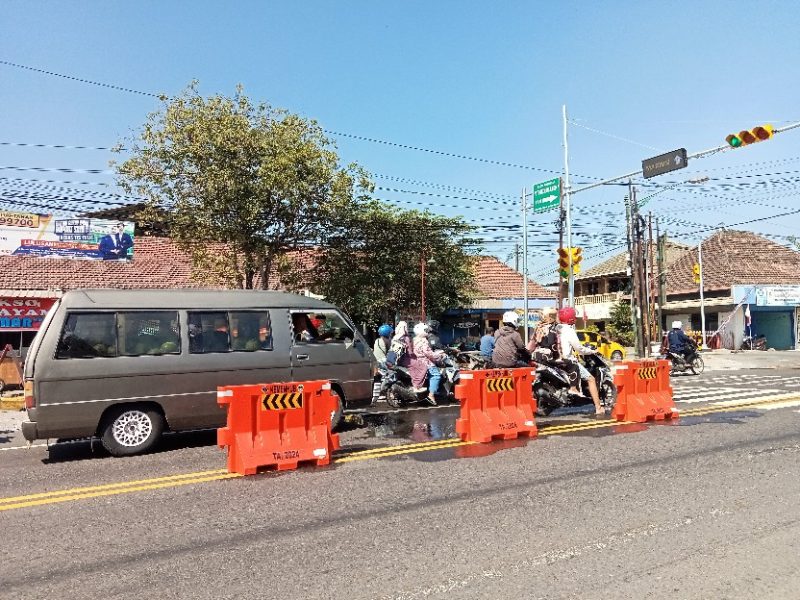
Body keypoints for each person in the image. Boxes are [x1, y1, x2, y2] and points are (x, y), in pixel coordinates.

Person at [556, 307, 604, 416]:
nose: (576, 319)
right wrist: (592, 351)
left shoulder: (557, 328)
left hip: (557, 360)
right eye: (574, 317)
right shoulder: (569, 330)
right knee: (591, 379)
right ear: (571, 319)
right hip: (568, 360)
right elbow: (579, 349)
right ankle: (598, 407)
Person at [410, 322, 445, 405]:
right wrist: (439, 355)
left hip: (415, 361)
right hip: (424, 362)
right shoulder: (423, 341)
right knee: (436, 375)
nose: (427, 332)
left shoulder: (413, 340)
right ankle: (431, 395)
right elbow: (429, 354)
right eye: (426, 330)